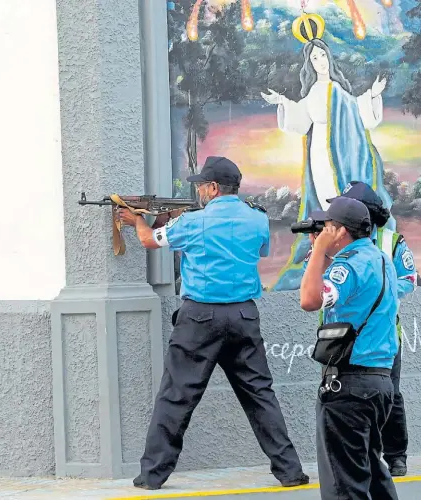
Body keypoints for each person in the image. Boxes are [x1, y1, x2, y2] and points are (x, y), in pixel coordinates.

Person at [117, 156, 309, 490]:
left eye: (202, 185)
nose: (200, 191)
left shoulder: (193, 222)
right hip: (244, 316)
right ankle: (290, 470)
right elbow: (262, 251)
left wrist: (136, 221)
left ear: (214, 187)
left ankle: (153, 475)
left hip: (199, 317)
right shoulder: (257, 219)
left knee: (177, 395)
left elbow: (150, 241)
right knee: (260, 395)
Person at [261, 20, 395, 292]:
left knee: (341, 195)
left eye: (322, 55)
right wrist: (282, 103)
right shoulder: (313, 91)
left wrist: (372, 95)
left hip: (343, 152)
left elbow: (357, 111)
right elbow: (300, 119)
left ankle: (346, 246)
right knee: (326, 197)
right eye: (314, 57)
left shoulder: (338, 88)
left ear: (329, 58)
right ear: (309, 64)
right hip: (320, 152)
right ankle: (329, 249)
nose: (320, 60)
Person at [299, 196, 399, 500]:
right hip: (380, 382)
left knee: (345, 485)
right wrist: (325, 255)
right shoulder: (381, 259)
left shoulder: (348, 267)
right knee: (370, 473)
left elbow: (309, 299)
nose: (323, 231)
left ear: (341, 231)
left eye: (328, 226)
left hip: (350, 384)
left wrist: (318, 252)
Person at [330, 181, 417, 477]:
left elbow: (409, 280)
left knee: (389, 395)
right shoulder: (333, 242)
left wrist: (377, 290)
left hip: (383, 336)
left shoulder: (391, 242)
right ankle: (365, 456)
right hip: (341, 339)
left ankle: (396, 455)